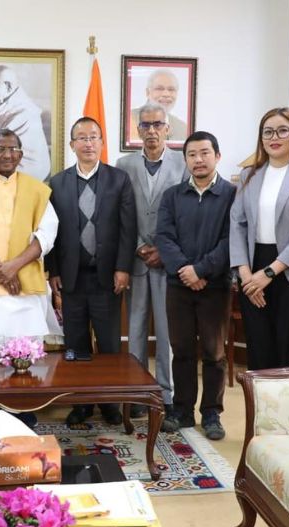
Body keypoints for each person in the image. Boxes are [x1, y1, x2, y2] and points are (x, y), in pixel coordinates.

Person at [0, 128, 62, 428]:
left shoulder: (37, 190)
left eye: (12, 149)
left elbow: (47, 233)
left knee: (25, 346)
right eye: (0, 149)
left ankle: (23, 405)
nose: (6, 154)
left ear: (21, 153)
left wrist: (14, 266)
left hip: (25, 279)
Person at [45, 116, 137, 428]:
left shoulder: (118, 180)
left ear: (101, 142)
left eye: (93, 137)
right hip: (71, 278)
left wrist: (123, 268)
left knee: (110, 344)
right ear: (72, 145)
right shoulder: (56, 183)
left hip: (107, 276)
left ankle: (110, 402)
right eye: (81, 138)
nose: (87, 143)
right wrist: (53, 270)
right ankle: (80, 403)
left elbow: (128, 228)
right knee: (75, 345)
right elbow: (51, 232)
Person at [230, 107, 289, 370]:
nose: (275, 137)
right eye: (268, 131)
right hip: (252, 266)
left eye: (283, 130)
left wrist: (269, 273)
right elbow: (237, 223)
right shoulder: (249, 175)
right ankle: (260, 412)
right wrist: (246, 274)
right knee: (259, 349)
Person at [156, 131, 236, 438]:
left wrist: (201, 270)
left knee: (214, 353)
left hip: (215, 286)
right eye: (192, 154)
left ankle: (212, 413)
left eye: (205, 153)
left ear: (217, 156)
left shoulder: (231, 195)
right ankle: (182, 409)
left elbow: (232, 239)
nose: (198, 159)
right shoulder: (173, 196)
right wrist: (185, 270)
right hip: (178, 285)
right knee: (182, 349)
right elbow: (164, 236)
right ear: (185, 159)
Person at [115, 103, 186, 421]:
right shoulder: (123, 164)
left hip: (168, 262)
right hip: (137, 260)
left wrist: (162, 249)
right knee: (136, 330)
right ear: (137, 130)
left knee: (168, 332)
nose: (152, 131)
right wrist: (140, 247)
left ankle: (165, 396)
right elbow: (120, 213)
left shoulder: (185, 163)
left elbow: (186, 216)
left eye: (158, 124)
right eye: (145, 126)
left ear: (168, 127)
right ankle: (135, 393)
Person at [0, 65, 51, 180]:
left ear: (8, 86)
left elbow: (0, 150)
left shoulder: (23, 113)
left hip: (26, 175)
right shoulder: (9, 110)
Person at [129, 69, 188, 144]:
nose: (166, 94)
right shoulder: (130, 119)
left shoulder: (183, 128)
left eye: (171, 89)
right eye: (159, 89)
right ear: (148, 92)